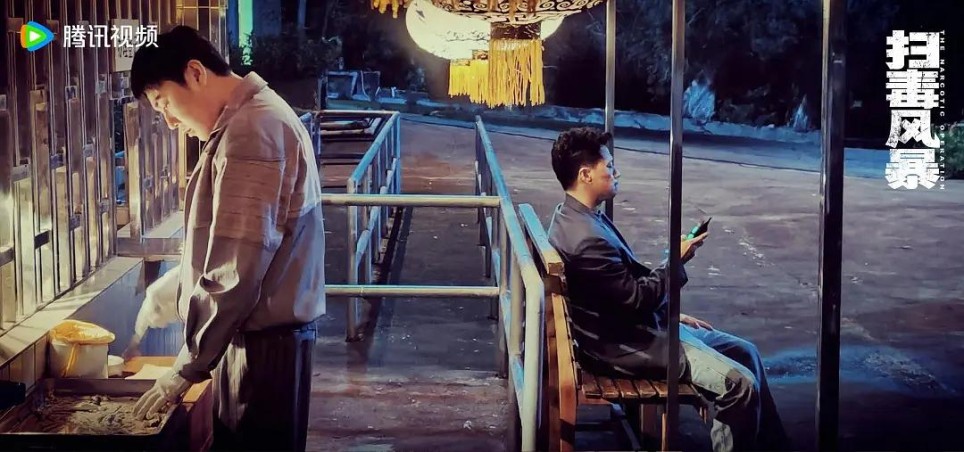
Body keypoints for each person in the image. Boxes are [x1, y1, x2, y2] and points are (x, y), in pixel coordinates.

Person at [126, 26, 326, 451]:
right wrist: (183, 282)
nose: (170, 122)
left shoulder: (252, 129)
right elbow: (248, 245)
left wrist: (187, 367)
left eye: (164, 103)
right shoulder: (253, 118)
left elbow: (238, 268)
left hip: (263, 349)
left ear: (195, 73)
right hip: (264, 342)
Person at [546, 127, 789, 451]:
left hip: (631, 329)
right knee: (739, 384)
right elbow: (636, 300)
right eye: (610, 165)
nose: (616, 172)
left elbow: (618, 294)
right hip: (629, 345)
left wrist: (672, 307)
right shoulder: (587, 237)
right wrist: (677, 259)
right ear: (586, 174)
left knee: (747, 352)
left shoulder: (572, 217)